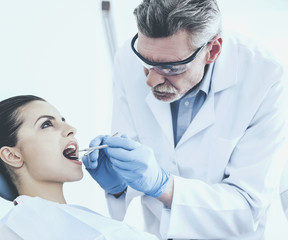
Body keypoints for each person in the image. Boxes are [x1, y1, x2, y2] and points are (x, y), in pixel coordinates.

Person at [83, 0, 288, 239]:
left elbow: (248, 208)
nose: (150, 81)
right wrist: (119, 185)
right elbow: (134, 158)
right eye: (146, 64)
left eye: (170, 68)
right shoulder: (127, 59)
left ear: (212, 51)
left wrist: (164, 186)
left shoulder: (264, 78)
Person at [0, 95, 158, 240]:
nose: (71, 129)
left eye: (63, 120)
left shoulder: (26, 223)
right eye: (46, 124)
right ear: (13, 156)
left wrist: (117, 191)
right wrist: (162, 188)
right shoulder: (34, 224)